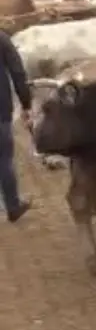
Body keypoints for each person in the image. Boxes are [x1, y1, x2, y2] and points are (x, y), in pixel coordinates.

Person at [0, 30, 32, 223]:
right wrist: (26, 103)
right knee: (3, 158)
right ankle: (13, 206)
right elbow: (18, 72)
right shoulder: (2, 38)